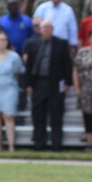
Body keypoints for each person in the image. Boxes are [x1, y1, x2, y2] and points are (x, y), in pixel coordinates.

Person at [24, 20, 73, 150]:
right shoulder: (32, 43)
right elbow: (28, 66)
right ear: (40, 29)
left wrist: (68, 82)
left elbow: (67, 64)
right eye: (44, 27)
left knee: (56, 114)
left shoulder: (61, 44)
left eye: (48, 27)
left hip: (55, 83)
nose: (46, 30)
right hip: (38, 83)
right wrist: (28, 84)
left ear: (52, 29)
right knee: (38, 114)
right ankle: (39, 143)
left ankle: (56, 144)